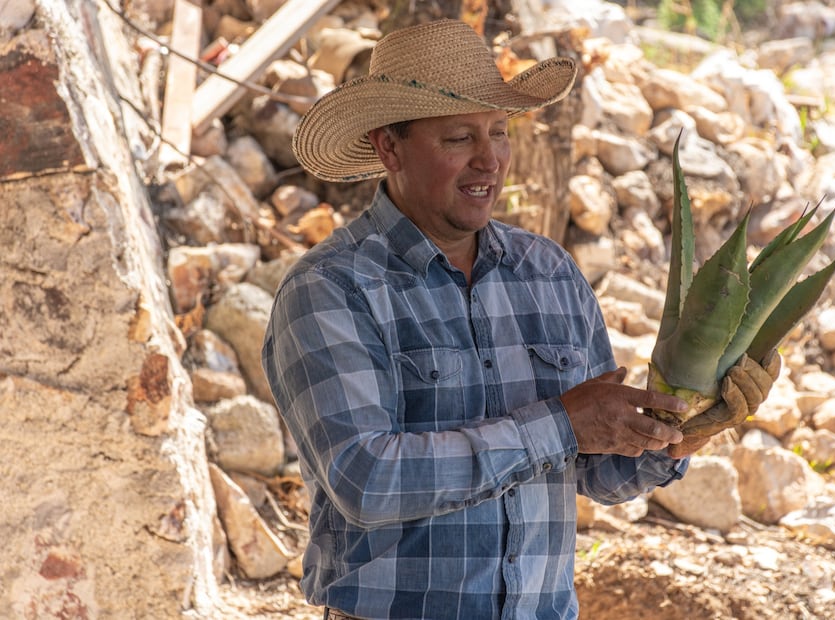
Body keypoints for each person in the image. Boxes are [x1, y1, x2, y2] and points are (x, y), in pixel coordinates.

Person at [262, 18, 778, 620]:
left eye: (499, 133)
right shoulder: (332, 288)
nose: (490, 161)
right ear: (389, 146)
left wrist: (683, 431)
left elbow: (599, 474)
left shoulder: (549, 273)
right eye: (459, 138)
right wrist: (561, 423)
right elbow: (367, 480)